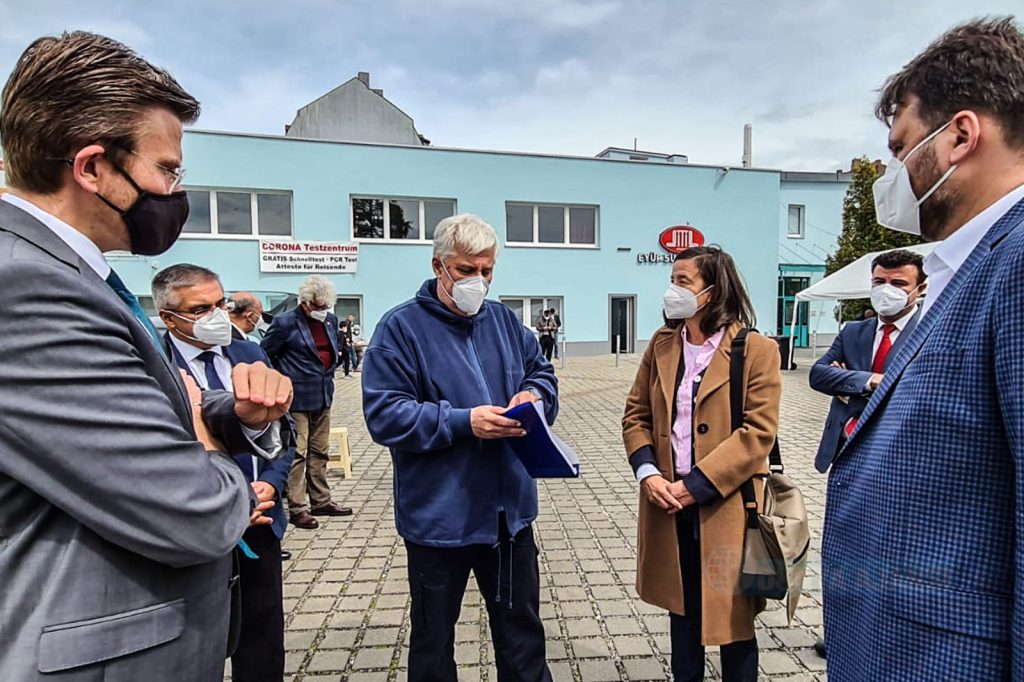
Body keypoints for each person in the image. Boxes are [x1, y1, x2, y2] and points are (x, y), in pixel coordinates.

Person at [0, 32, 292, 680]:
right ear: (92, 168)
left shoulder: (72, 274)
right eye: (166, 170)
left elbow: (132, 420)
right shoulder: (27, 287)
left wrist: (230, 414)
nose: (173, 191)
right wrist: (219, 466)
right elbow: (192, 512)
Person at [822, 18, 1024, 680]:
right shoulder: (969, 267)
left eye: (902, 146)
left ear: (961, 136)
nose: (894, 171)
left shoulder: (1015, 262)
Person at [362, 213, 558, 682]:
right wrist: (462, 422)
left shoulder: (505, 321)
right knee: (433, 644)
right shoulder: (400, 329)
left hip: (508, 517)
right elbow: (385, 415)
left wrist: (535, 397)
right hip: (438, 520)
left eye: (487, 270)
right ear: (439, 266)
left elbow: (542, 373)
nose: (479, 282)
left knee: (522, 638)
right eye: (467, 270)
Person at [623, 245, 781, 682]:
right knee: (683, 613)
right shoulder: (661, 345)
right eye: (672, 279)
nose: (673, 289)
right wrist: (648, 472)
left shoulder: (755, 348)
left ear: (712, 292)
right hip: (667, 503)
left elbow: (758, 433)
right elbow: (635, 415)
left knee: (732, 622)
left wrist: (696, 485)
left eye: (683, 281)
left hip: (727, 505)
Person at [155, 264, 294, 682]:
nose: (217, 316)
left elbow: (281, 430)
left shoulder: (249, 351)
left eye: (221, 303)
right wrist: (225, 501)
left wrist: (271, 482)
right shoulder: (154, 365)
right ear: (169, 318)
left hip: (261, 521)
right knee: (199, 641)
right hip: (195, 527)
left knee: (263, 635)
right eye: (201, 309)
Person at [807, 248, 925, 659]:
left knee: (893, 548)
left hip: (900, 457)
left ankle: (887, 629)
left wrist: (850, 381)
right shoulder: (854, 331)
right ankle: (836, 630)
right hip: (847, 452)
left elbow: (917, 386)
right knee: (843, 548)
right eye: (879, 282)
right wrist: (872, 380)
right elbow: (820, 374)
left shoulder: (931, 330)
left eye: (898, 284)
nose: (887, 291)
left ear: (920, 288)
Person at [262, 275, 352, 529]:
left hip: (324, 394)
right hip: (295, 398)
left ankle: (321, 500)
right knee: (298, 453)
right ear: (305, 303)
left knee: (320, 450)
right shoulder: (284, 323)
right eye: (318, 307)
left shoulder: (331, 321)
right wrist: (280, 384)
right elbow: (266, 355)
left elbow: (334, 351)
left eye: (326, 307)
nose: (323, 312)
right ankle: (298, 507)